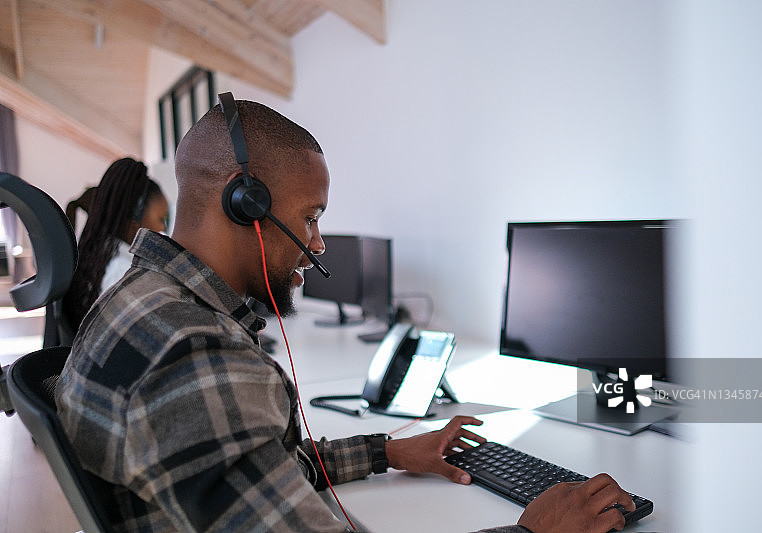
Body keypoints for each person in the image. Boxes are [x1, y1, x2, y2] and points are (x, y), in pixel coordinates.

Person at [55, 99, 634, 533]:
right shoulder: (192, 357)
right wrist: (535, 532)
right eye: (310, 217)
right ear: (245, 203)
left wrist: (388, 452)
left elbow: (249, 460)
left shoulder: (142, 300)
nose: (317, 243)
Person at [61, 157, 170, 333]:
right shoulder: (123, 271)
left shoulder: (99, 255)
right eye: (161, 218)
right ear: (134, 218)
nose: (163, 228)